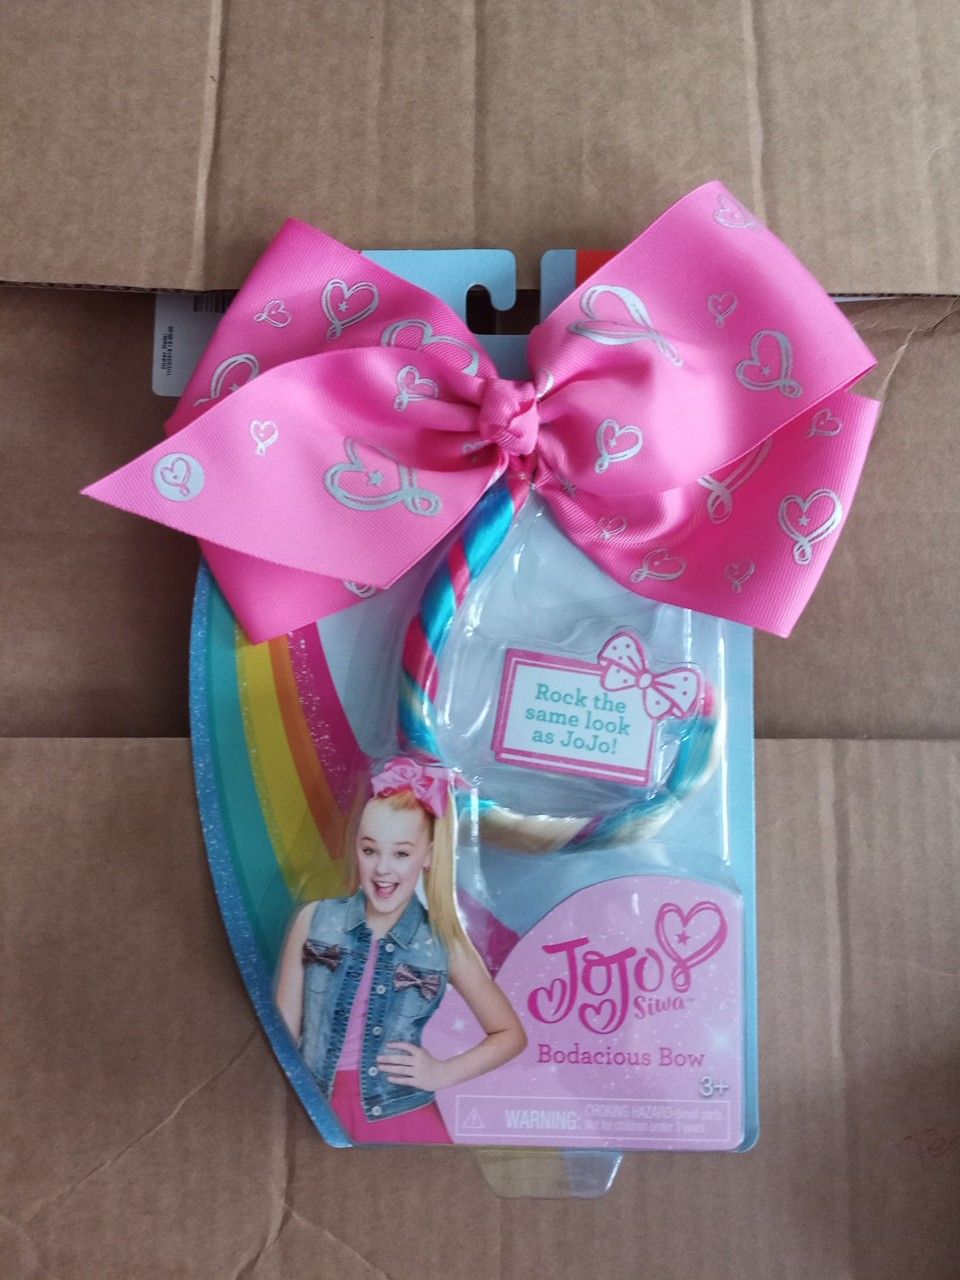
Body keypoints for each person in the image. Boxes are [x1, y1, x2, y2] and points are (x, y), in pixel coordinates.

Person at [275, 756, 527, 1143]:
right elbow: (279, 1036)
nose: (382, 869)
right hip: (315, 1108)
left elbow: (510, 1034)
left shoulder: (442, 942)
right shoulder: (316, 920)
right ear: (356, 849)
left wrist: (443, 1072)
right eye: (370, 850)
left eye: (401, 853)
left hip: (403, 1118)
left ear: (428, 856)